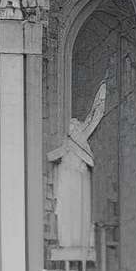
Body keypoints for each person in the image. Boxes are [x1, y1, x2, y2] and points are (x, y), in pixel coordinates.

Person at [48, 79, 111, 260]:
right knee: (67, 214)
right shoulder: (68, 144)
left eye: (76, 125)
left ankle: (78, 242)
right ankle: (67, 242)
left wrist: (101, 97)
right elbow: (51, 156)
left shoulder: (81, 140)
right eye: (72, 126)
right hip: (67, 182)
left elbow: (95, 115)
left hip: (79, 181)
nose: (74, 127)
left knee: (79, 213)